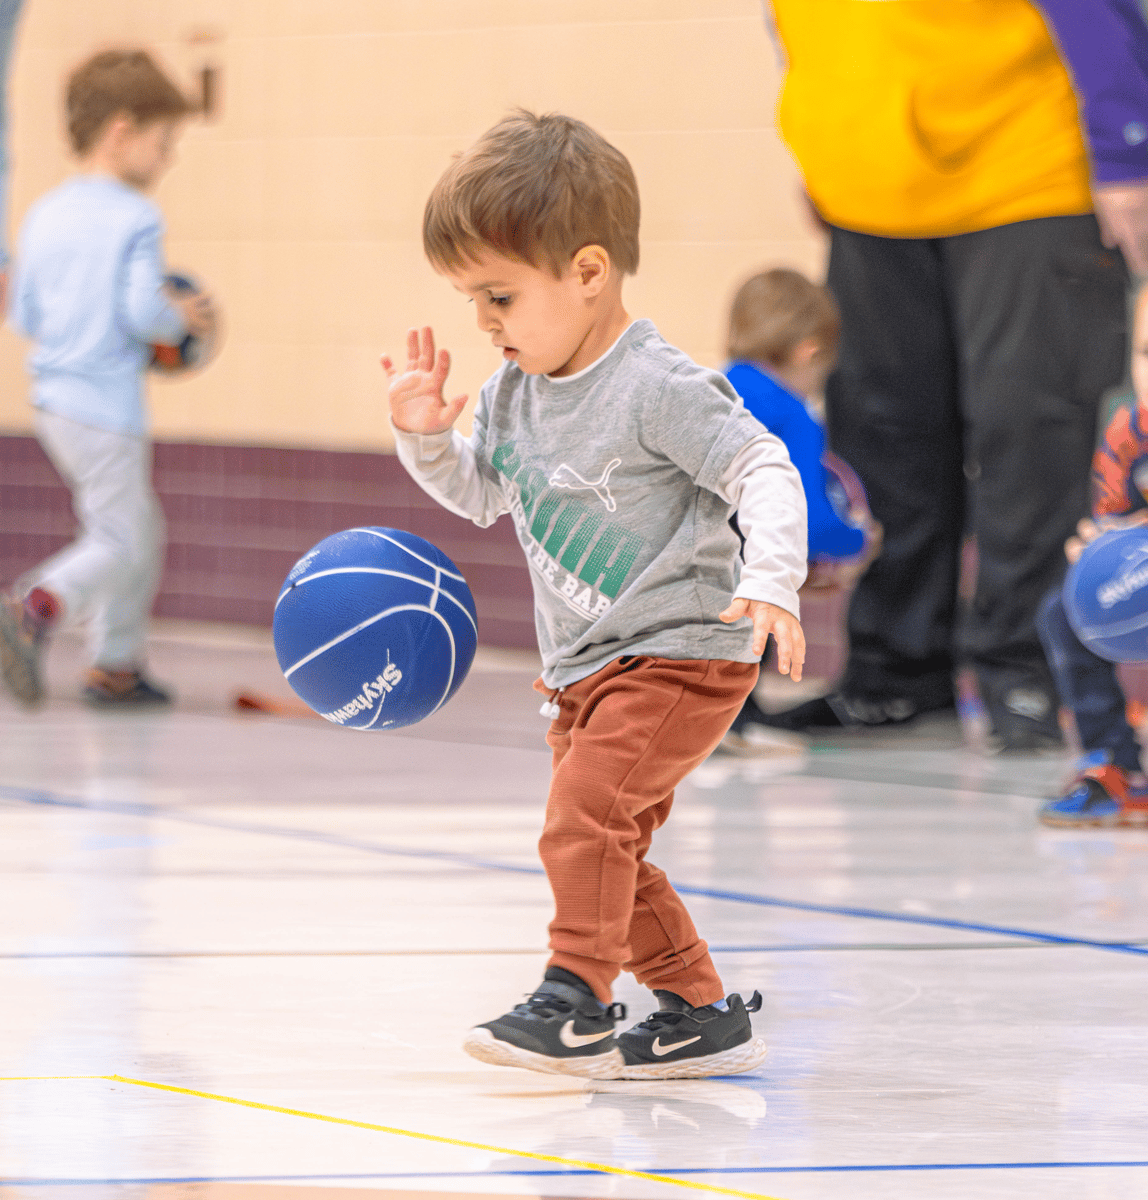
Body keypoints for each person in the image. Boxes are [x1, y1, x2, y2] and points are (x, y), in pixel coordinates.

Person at [383, 110, 808, 1080]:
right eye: (469, 301)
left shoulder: (656, 386)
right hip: (583, 666)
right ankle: (698, 1009)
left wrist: (769, 576)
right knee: (607, 842)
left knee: (582, 820)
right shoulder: (512, 391)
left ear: (586, 273)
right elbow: (484, 495)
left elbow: (763, 469)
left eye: (497, 296)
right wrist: (424, 437)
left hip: (681, 651)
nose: (483, 324)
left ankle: (574, 998)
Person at [760, 0, 1143, 750]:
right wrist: (825, 150)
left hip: (1026, 172)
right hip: (870, 194)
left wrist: (1128, 148)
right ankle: (895, 675)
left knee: (1028, 434)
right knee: (882, 435)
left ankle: (1029, 674)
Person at [0, 49, 215, 709]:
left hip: (53, 403)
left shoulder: (43, 212)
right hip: (106, 408)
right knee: (121, 538)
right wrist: (179, 318)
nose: (168, 156)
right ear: (122, 131)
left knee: (137, 531)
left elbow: (24, 311)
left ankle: (116, 664)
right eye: (163, 140)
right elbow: (141, 312)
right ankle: (36, 604)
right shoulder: (136, 217)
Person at [720, 268, 881, 749]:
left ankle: (712, 718)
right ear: (809, 351)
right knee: (758, 614)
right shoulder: (792, 413)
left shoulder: (710, 390)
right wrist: (859, 541)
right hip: (743, 567)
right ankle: (735, 722)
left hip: (682, 558)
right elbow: (805, 515)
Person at [1039, 285, 1148, 828]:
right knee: (1062, 610)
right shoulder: (1128, 431)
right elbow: (1112, 519)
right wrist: (1095, 549)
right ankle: (1114, 765)